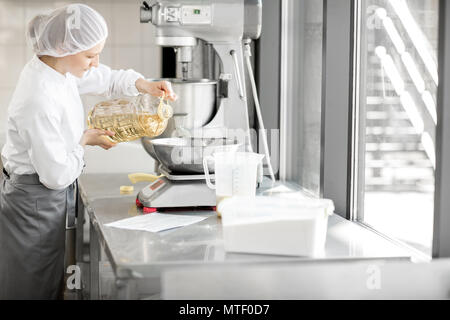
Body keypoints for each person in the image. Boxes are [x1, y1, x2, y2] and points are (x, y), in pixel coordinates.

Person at [0, 3, 176, 299]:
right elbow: (55, 175)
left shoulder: (59, 68)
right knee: (31, 286)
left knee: (49, 279)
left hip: (46, 196)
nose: (95, 62)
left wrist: (144, 84)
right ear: (62, 46)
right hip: (34, 201)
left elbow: (106, 78)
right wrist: (85, 141)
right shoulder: (39, 96)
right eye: (90, 55)